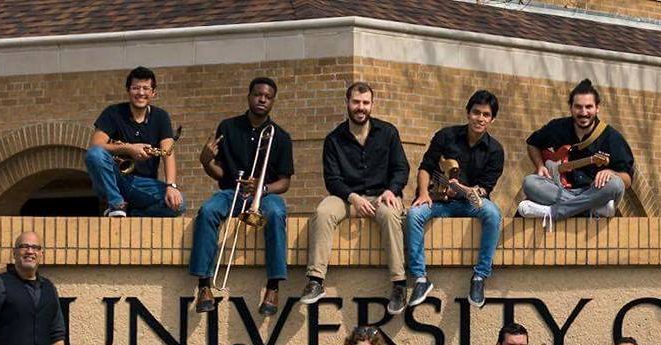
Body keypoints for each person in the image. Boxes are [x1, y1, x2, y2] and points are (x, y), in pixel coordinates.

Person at [190, 77, 295, 315]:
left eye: (268, 97)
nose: (262, 100)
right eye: (258, 95)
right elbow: (218, 171)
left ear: (273, 102)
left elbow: (285, 182)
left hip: (264, 195)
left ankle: (273, 286)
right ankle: (204, 285)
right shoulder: (228, 127)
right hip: (231, 191)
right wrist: (205, 160)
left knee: (278, 213)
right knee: (207, 212)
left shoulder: (280, 136)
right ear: (249, 96)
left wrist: (262, 187)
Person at [304, 82, 411, 313]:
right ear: (347, 103)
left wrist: (391, 190)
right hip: (347, 197)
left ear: (372, 105)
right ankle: (315, 281)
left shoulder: (388, 132)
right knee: (323, 212)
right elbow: (332, 179)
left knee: (391, 214)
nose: (360, 107)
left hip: (383, 196)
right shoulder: (334, 139)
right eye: (356, 102)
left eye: (365, 103)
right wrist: (353, 197)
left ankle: (399, 285)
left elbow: (401, 169)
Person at [405, 90, 506, 310]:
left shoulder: (496, 150)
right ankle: (420, 279)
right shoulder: (446, 136)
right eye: (476, 112)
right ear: (468, 113)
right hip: (440, 201)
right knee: (413, 215)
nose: (480, 118)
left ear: (492, 119)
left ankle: (479, 277)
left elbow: (485, 188)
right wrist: (423, 193)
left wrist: (465, 191)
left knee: (492, 213)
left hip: (471, 202)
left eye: (486, 115)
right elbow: (425, 167)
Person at [518, 79, 635, 221]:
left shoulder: (612, 137)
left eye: (588, 107)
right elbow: (532, 144)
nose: (583, 112)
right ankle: (591, 209)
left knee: (616, 185)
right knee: (530, 183)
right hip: (560, 190)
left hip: (594, 192)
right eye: (578, 107)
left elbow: (627, 180)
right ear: (571, 108)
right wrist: (540, 166)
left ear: (597, 108)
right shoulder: (557, 127)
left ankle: (554, 212)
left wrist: (611, 172)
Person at [85, 66, 183, 217]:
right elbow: (96, 145)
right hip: (115, 178)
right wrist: (129, 149)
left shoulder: (161, 117)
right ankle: (116, 203)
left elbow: (168, 153)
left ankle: (132, 214)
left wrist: (171, 186)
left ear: (153, 93)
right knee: (94, 154)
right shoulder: (113, 112)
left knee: (179, 205)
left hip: (143, 185)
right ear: (128, 90)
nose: (141, 93)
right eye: (136, 88)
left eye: (145, 88)